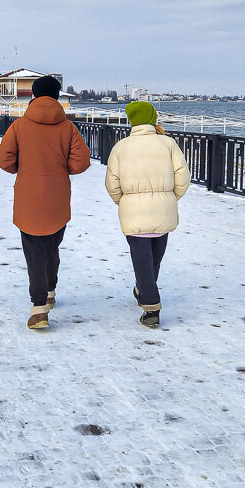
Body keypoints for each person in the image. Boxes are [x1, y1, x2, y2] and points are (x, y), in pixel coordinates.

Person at [0, 75, 91, 330]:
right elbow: (80, 162)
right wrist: (61, 167)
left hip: (28, 197)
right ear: (58, 96)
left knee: (34, 251)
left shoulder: (20, 126)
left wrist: (21, 166)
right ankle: (49, 291)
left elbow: (4, 159)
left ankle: (39, 309)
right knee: (51, 247)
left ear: (34, 96)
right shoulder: (68, 128)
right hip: (58, 197)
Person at [104, 101, 189, 329]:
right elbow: (182, 176)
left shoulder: (121, 147)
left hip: (133, 212)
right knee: (155, 258)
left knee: (142, 261)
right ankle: (147, 294)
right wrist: (170, 198)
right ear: (153, 118)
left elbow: (112, 183)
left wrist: (124, 202)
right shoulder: (168, 144)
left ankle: (149, 305)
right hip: (163, 210)